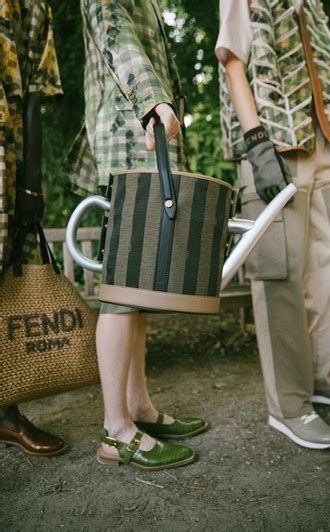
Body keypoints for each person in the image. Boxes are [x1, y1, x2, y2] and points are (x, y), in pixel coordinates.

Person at [62, 0, 207, 470]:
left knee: (137, 286)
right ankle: (115, 430)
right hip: (130, 141)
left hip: (142, 140)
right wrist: (152, 99)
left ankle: (139, 408)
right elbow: (112, 30)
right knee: (123, 290)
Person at [216, 0, 330, 449]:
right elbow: (234, 63)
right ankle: (289, 405)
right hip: (273, 144)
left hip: (322, 143)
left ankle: (321, 378)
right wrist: (257, 144)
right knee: (281, 272)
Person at [0, 0, 66, 455]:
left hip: (6, 155)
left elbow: (35, 92)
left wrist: (33, 183)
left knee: (8, 285)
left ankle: (6, 413)